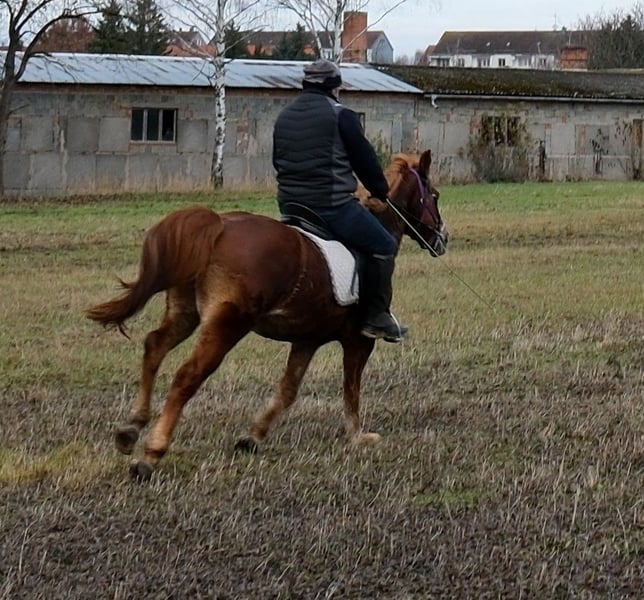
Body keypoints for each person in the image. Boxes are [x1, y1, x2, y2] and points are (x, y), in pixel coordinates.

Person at [272, 58, 407, 342]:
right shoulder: (341, 115)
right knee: (383, 244)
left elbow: (277, 161)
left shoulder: (285, 116)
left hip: (290, 205)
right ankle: (376, 317)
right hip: (330, 207)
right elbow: (365, 161)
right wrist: (380, 190)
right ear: (335, 87)